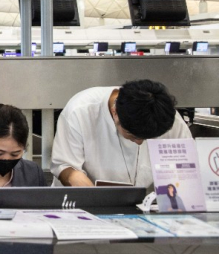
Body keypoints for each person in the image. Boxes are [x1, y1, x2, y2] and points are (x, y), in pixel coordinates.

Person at [51, 79, 192, 188]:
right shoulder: (81, 111)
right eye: (133, 136)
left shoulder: (167, 119)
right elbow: (65, 166)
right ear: (114, 112)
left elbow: (186, 172)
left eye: (147, 138)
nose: (139, 142)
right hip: (84, 205)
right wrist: (92, 194)